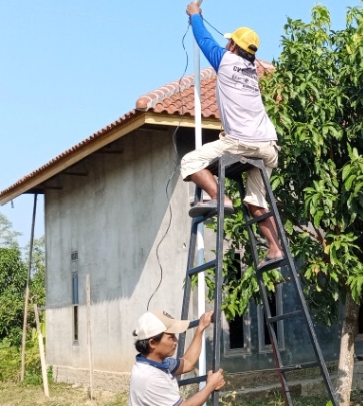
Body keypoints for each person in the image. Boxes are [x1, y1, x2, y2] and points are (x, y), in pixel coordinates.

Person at [180, 2, 283, 270]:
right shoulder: (252, 72)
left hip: (242, 141)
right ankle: (275, 248)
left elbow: (204, 40)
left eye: (230, 44)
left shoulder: (226, 62)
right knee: (255, 203)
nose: (226, 47)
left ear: (235, 47)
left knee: (190, 161)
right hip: (268, 146)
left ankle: (220, 197)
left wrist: (194, 16)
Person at [128, 310, 225, 406]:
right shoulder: (151, 377)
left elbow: (187, 363)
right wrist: (211, 385)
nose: (176, 341)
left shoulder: (155, 363)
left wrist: (201, 328)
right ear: (152, 343)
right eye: (171, 337)